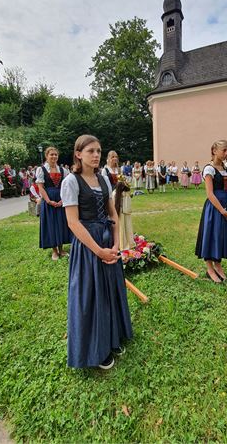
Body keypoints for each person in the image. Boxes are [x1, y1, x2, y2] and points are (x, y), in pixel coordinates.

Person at [60, 135, 132, 370]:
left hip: (107, 242)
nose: (96, 155)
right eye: (90, 151)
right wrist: (99, 251)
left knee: (110, 290)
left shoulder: (103, 180)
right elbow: (73, 223)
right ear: (78, 154)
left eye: (99, 151)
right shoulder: (71, 182)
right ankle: (95, 349)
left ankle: (112, 337)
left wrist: (115, 245)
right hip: (89, 246)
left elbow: (113, 214)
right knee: (91, 296)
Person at [195, 139, 227, 283]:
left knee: (221, 236)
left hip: (226, 204)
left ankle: (218, 266)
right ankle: (210, 268)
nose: (226, 153)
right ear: (214, 151)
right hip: (214, 208)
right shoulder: (209, 169)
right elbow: (210, 194)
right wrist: (222, 211)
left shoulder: (225, 168)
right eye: (224, 150)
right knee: (212, 235)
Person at [36, 146, 71, 261]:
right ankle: (54, 251)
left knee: (61, 223)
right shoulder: (41, 169)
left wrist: (63, 200)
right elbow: (41, 187)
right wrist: (48, 201)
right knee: (51, 224)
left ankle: (61, 249)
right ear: (46, 156)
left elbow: (66, 186)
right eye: (51, 154)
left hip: (61, 199)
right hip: (48, 199)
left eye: (56, 154)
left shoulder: (63, 170)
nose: (54, 156)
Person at [113, 175, 135, 251]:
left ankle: (121, 244)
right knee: (127, 228)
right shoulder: (126, 193)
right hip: (126, 212)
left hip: (118, 213)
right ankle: (128, 242)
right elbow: (129, 190)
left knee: (120, 229)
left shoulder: (114, 193)